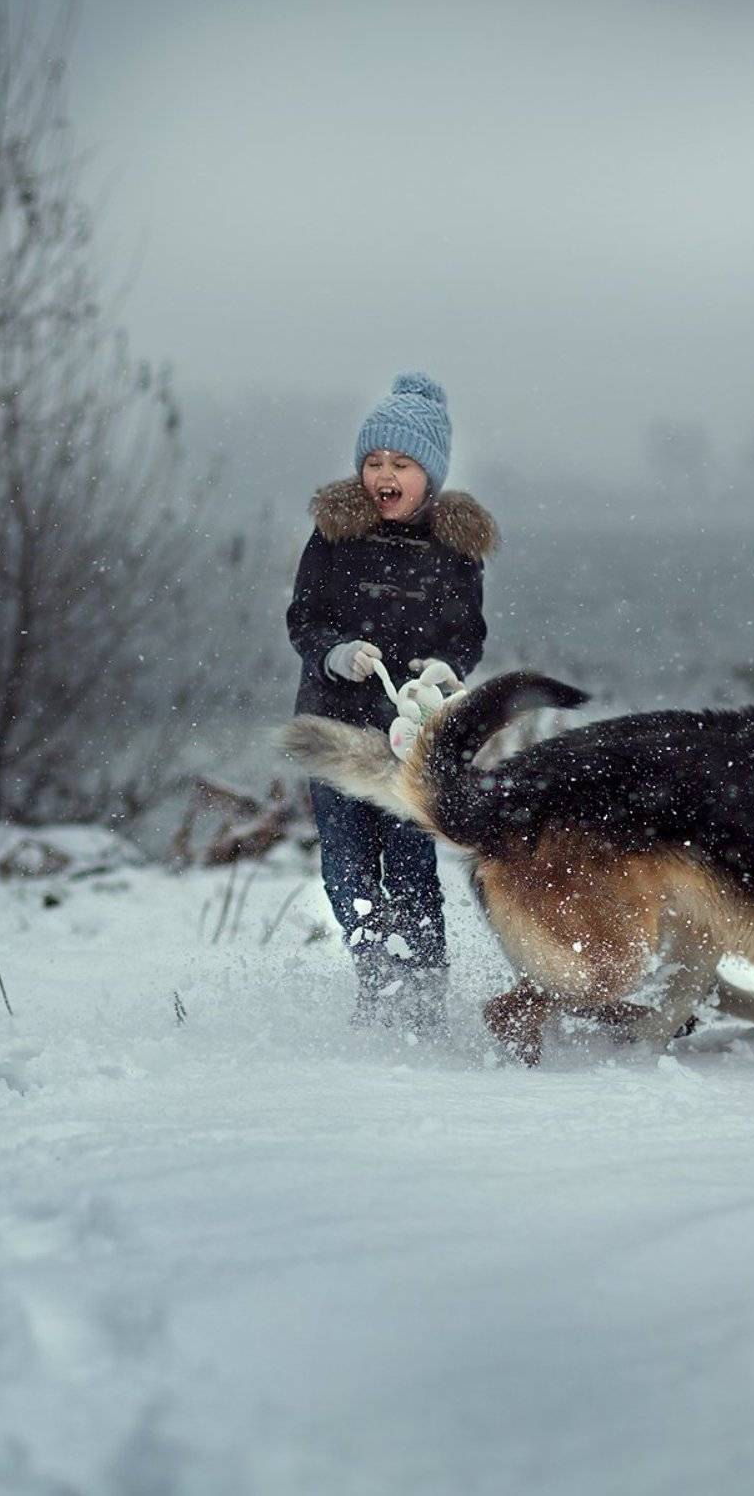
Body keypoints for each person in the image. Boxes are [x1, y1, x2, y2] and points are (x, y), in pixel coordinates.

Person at [286, 372, 497, 1034]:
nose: (384, 474)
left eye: (400, 463)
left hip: (411, 738)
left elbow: (468, 634)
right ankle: (377, 976)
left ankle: (424, 996)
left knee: (411, 868)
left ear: (428, 474)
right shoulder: (333, 536)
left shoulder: (456, 550)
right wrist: (335, 652)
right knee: (346, 870)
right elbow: (303, 619)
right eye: (374, 461)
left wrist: (448, 669)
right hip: (334, 730)